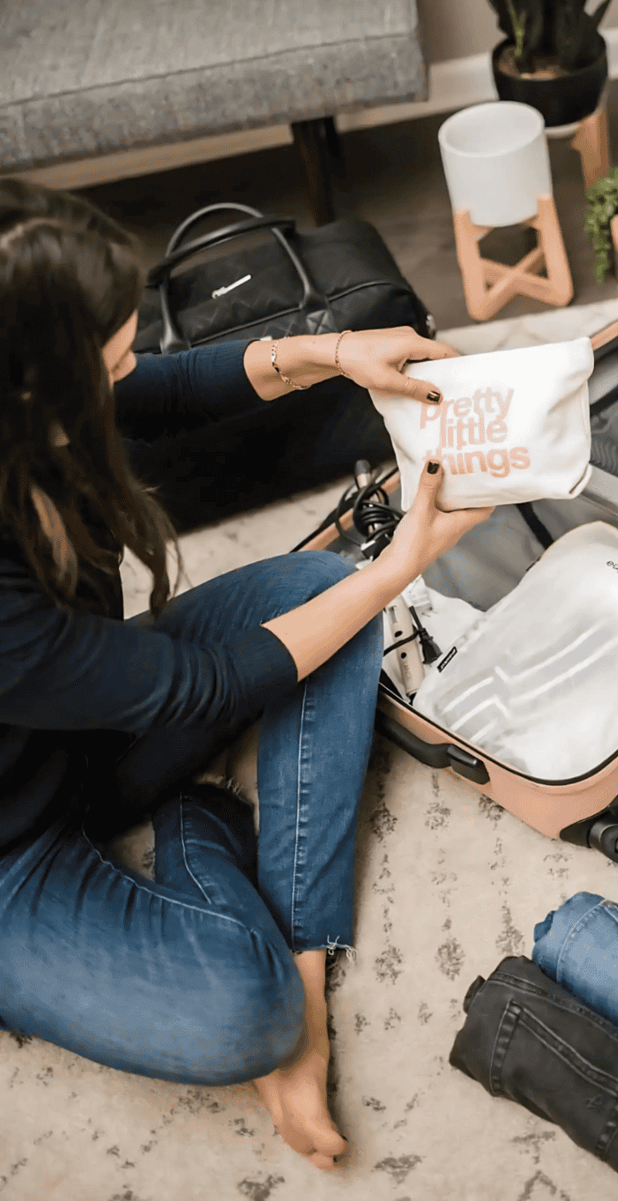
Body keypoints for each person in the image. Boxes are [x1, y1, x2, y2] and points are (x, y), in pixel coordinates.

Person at [0, 180, 491, 1171]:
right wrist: (397, 566)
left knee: (323, 594)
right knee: (239, 1022)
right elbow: (199, 691)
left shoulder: (29, 402)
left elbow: (171, 389)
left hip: (88, 720)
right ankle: (210, 846)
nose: (126, 377)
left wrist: (337, 352)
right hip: (11, 851)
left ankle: (303, 962)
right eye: (105, 368)